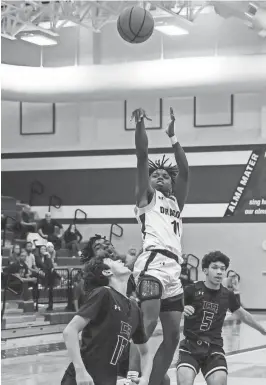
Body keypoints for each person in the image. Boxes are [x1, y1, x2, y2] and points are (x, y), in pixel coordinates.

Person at [128, 107, 189, 385]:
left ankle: (153, 380)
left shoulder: (176, 203)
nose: (161, 176)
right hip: (152, 264)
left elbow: (185, 171)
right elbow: (142, 156)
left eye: (166, 175)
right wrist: (141, 124)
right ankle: (131, 376)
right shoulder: (146, 198)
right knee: (148, 325)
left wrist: (173, 137)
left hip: (174, 271)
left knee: (174, 335)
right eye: (156, 175)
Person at [61, 249, 153, 385]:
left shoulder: (134, 308)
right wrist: (81, 372)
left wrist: (145, 378)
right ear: (107, 272)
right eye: (113, 260)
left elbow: (145, 353)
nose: (120, 260)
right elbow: (69, 331)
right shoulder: (104, 293)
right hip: (83, 380)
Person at [176, 251, 266, 385]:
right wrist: (181, 309)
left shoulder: (227, 295)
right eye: (215, 268)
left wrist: (263, 330)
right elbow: (170, 307)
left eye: (223, 269)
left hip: (214, 348)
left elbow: (243, 315)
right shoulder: (191, 290)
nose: (219, 272)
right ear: (205, 270)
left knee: (219, 381)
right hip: (190, 347)